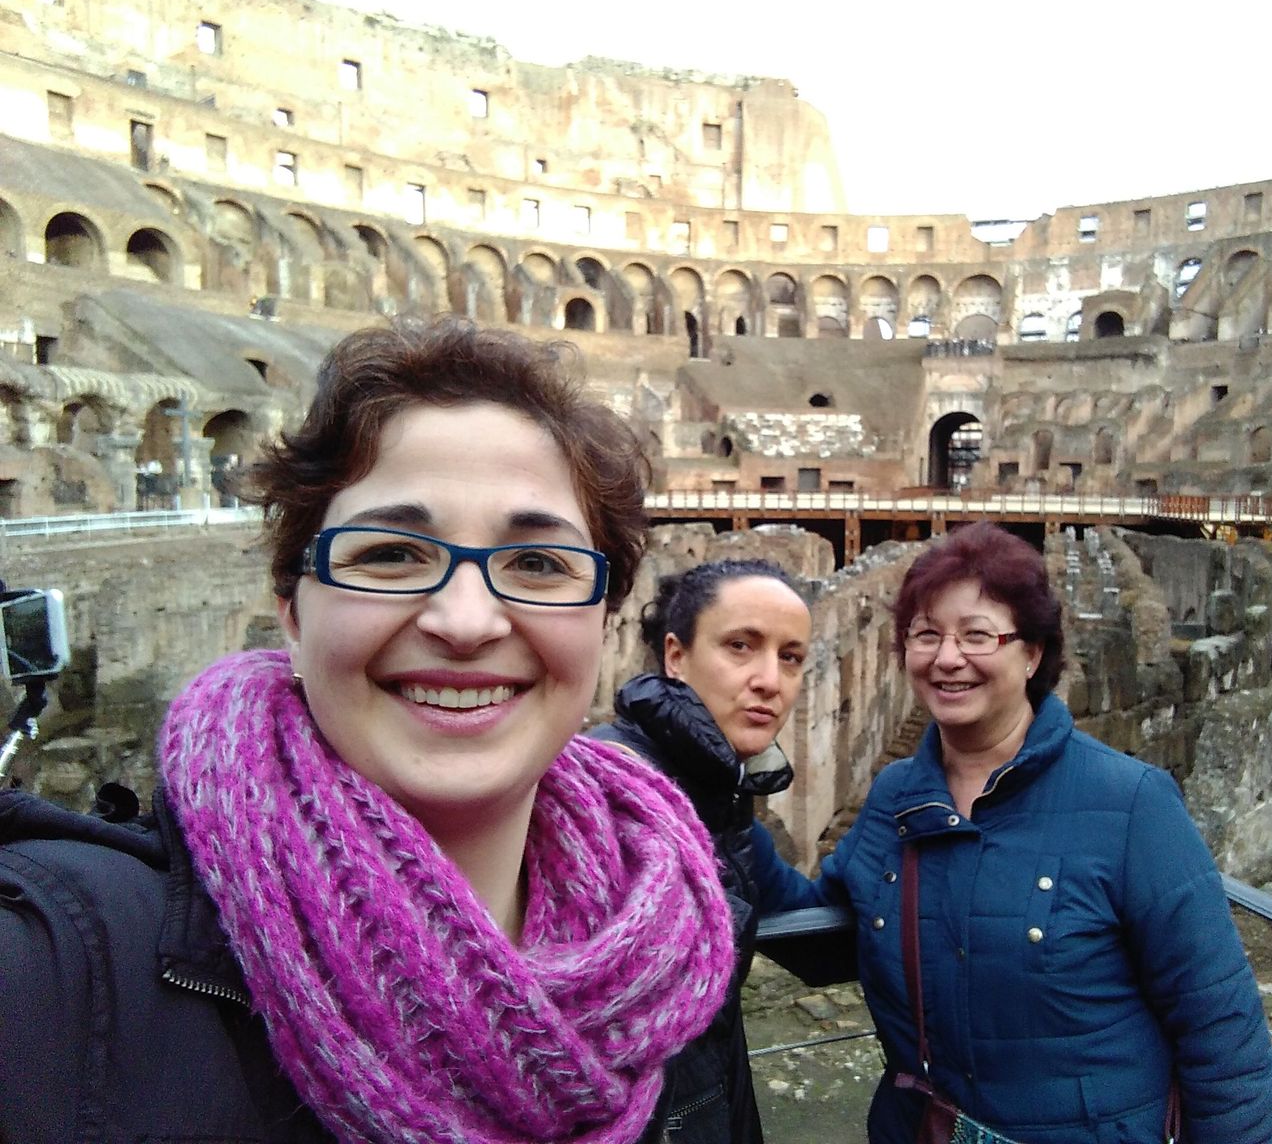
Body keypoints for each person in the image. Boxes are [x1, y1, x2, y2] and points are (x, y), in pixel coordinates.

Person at [0, 319, 736, 1144]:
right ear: (291, 610)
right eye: (390, 553)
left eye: (537, 564)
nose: (466, 621)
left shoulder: (677, 946)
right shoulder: (60, 969)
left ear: (603, 620)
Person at [753, 522, 1272, 1144]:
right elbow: (827, 940)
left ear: (1032, 652)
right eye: (926, 635)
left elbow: (1221, 1029)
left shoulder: (1129, 804)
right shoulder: (897, 794)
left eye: (977, 635)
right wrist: (722, 821)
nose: (947, 658)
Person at [588, 558, 812, 1144]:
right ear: (676, 655)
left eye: (791, 657)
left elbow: (804, 901)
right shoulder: (610, 795)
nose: (770, 679)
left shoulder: (722, 797)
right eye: (741, 646)